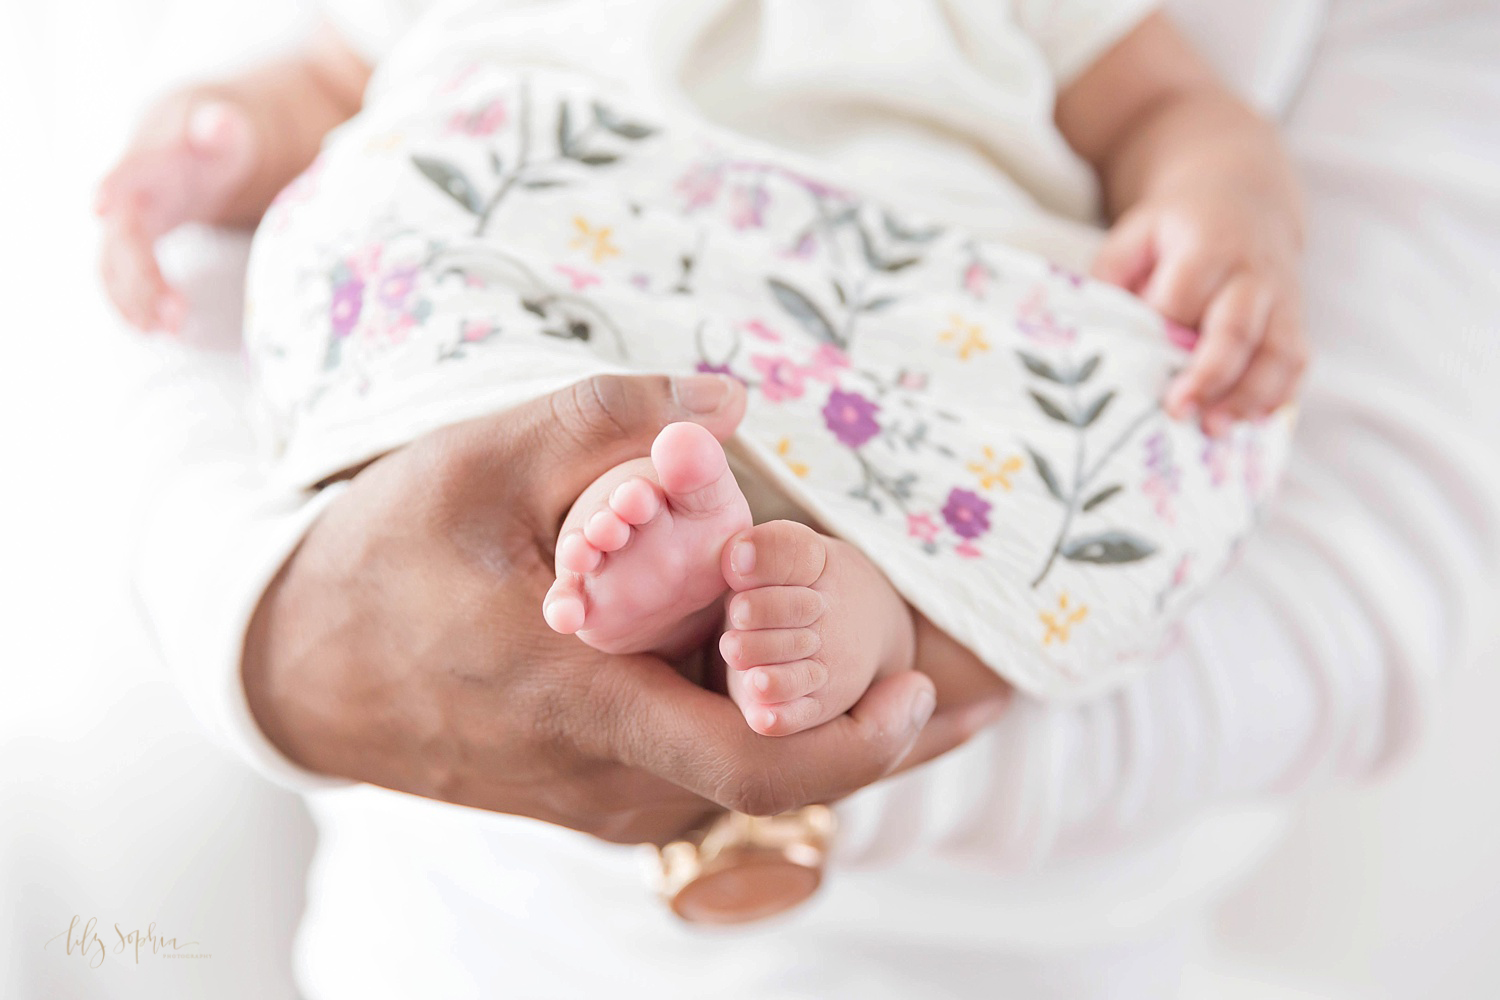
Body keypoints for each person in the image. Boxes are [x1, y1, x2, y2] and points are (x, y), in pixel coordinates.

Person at [105, 1, 1500, 997]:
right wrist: (216, 143)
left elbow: (1170, 110)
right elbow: (327, 82)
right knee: (408, 221)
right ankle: (634, 518)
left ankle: (864, 625)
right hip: (590, 271)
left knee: (1133, 415)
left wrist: (1224, 206)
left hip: (897, 348)